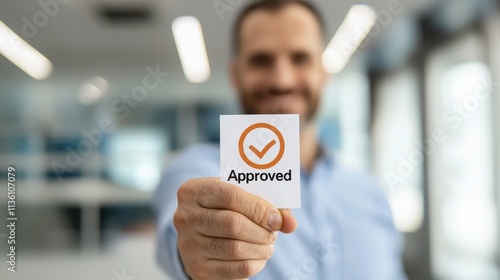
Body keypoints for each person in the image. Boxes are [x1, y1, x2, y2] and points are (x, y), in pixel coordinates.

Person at [154, 0, 406, 279]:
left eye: (300, 58)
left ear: (323, 73)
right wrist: (194, 249)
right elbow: (180, 233)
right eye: (261, 60)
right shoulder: (200, 168)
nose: (282, 80)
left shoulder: (370, 192)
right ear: (236, 77)